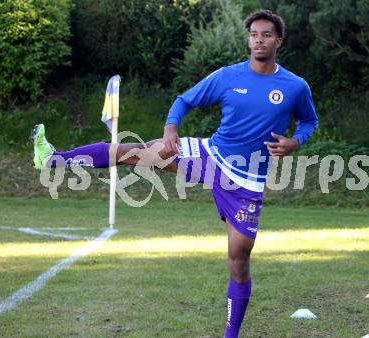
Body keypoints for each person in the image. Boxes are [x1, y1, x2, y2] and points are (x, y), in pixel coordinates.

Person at [32, 10, 318, 338]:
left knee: (238, 262)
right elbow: (183, 101)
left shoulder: (295, 87)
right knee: (133, 151)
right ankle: (55, 160)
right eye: (254, 34)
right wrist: (171, 130)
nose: (259, 40)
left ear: (278, 41)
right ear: (248, 39)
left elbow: (310, 121)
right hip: (209, 154)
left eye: (266, 35)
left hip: (246, 183)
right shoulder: (228, 77)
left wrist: (295, 141)